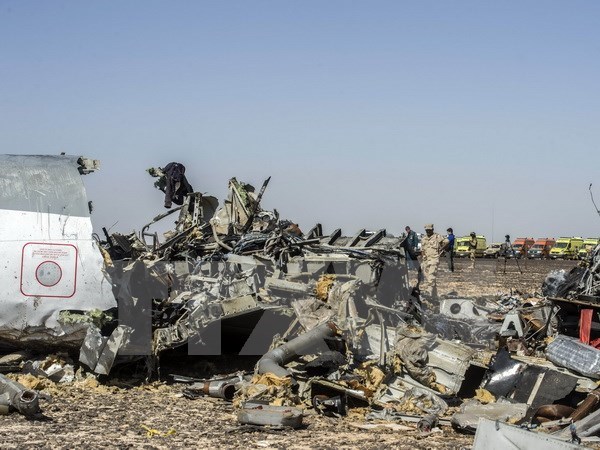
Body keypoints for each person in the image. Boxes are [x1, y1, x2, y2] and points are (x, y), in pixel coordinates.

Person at [420, 224, 449, 300]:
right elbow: (422, 250)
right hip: (426, 260)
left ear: (432, 229)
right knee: (428, 277)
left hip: (434, 259)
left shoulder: (437, 236)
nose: (428, 231)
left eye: (429, 230)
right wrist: (423, 256)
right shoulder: (424, 238)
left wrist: (441, 249)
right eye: (427, 230)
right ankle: (434, 295)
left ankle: (428, 292)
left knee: (431, 275)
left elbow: (447, 241)